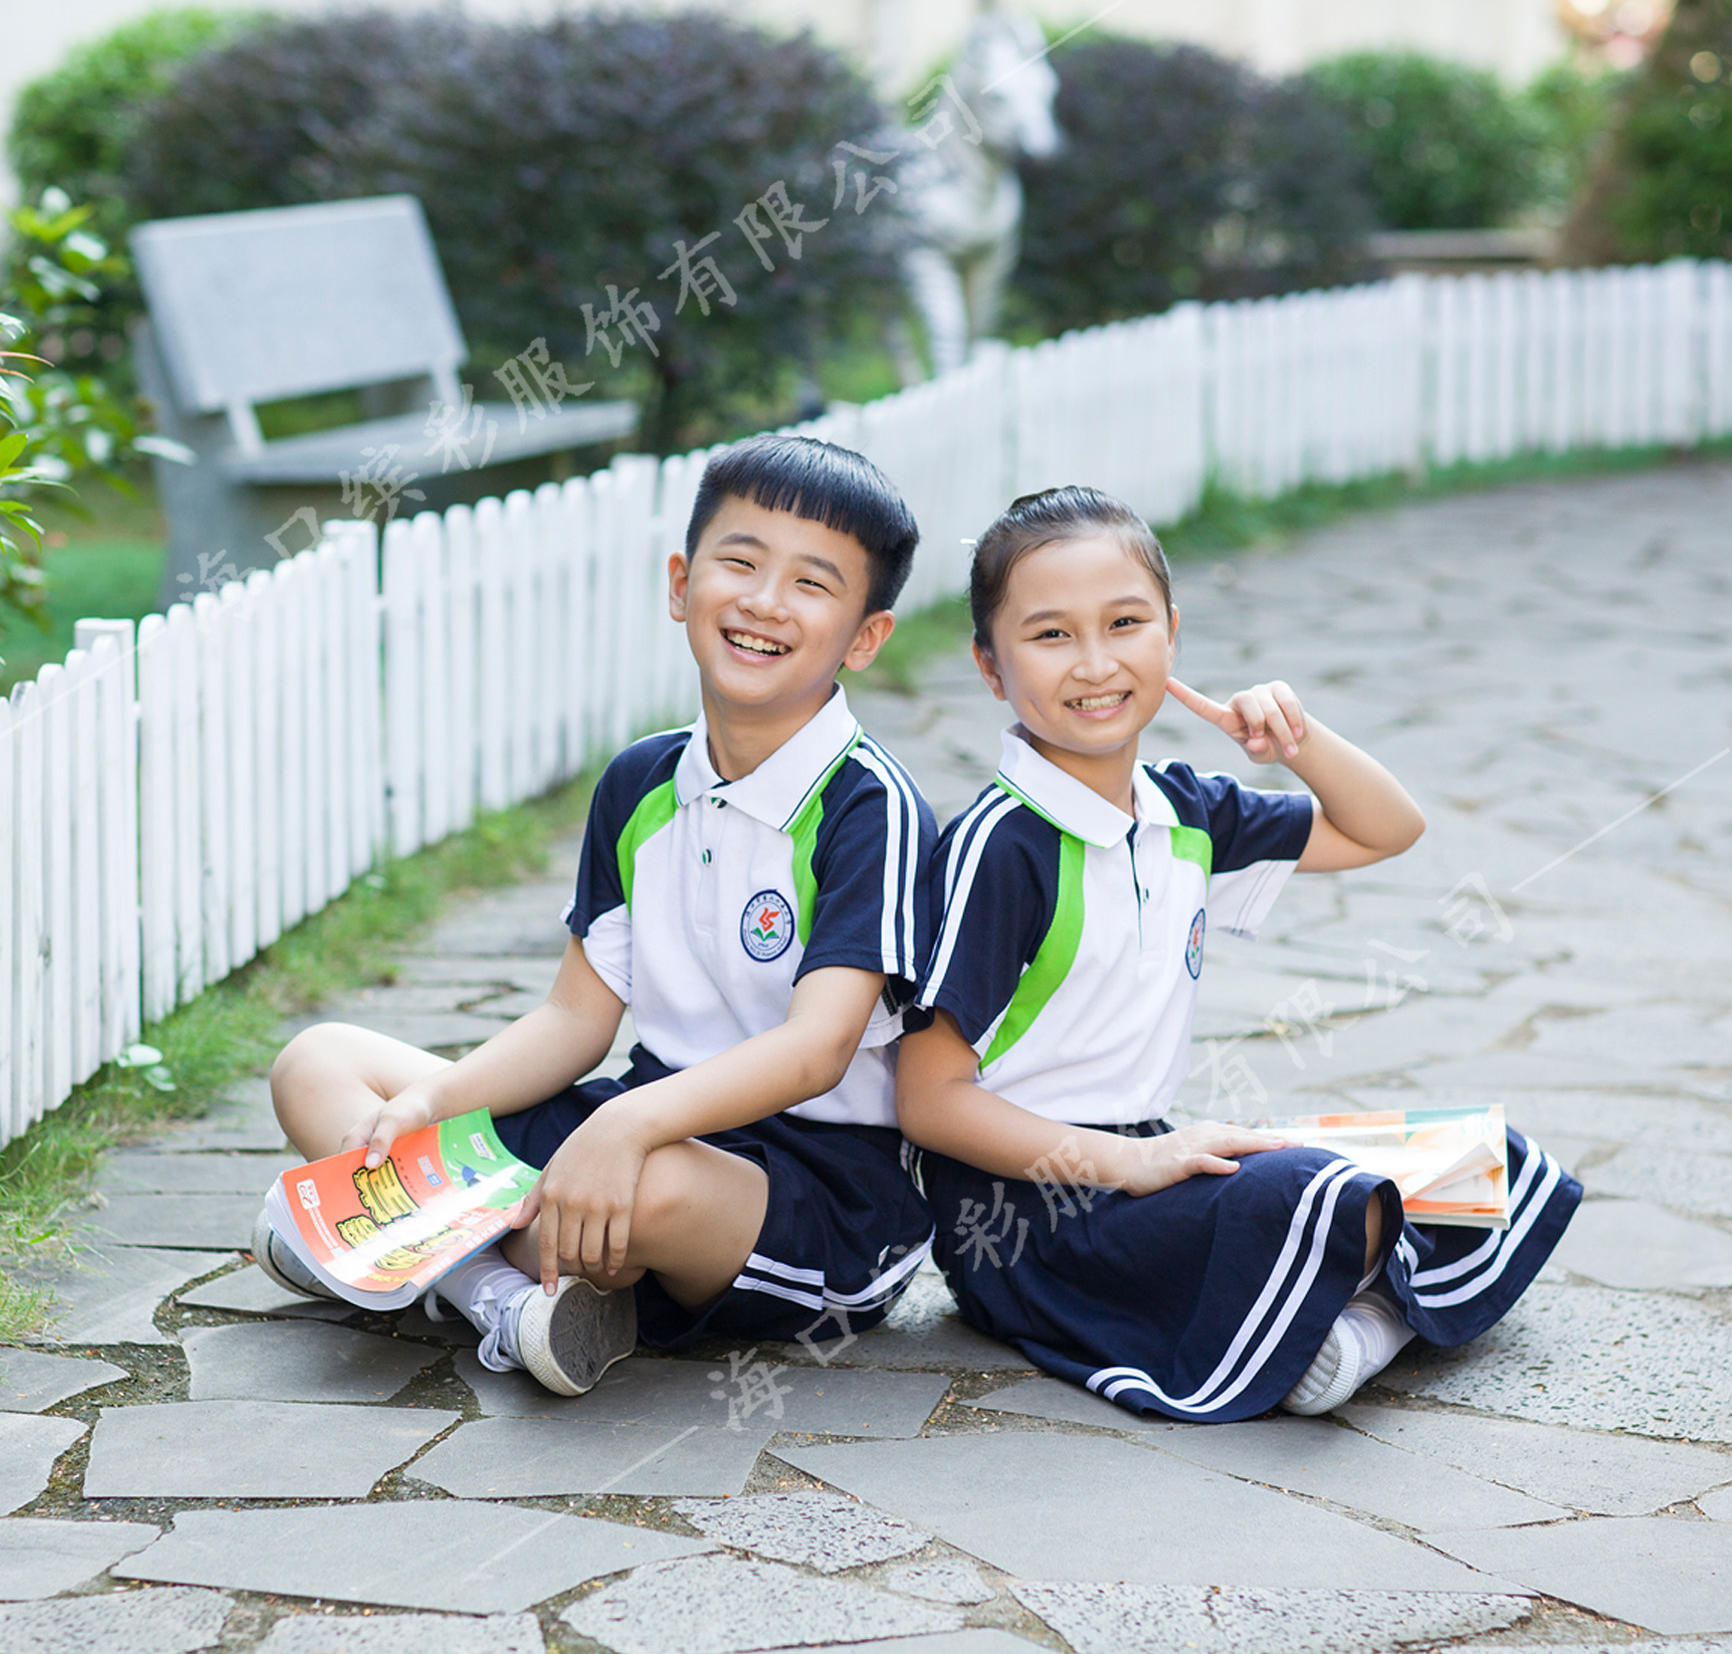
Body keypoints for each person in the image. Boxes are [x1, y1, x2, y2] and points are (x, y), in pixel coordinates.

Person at [259, 435, 938, 1395]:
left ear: (865, 636)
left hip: (812, 1187)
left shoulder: (872, 806)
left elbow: (815, 1052)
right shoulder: (641, 781)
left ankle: (392, 1247)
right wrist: (429, 1107)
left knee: (639, 1190)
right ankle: (498, 1292)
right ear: (681, 582)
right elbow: (577, 1019)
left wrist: (622, 1135)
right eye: (739, 562)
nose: (763, 601)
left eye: (812, 584)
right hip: (633, 1118)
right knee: (319, 1063)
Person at [897, 486, 1580, 1421]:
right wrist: (1129, 1165)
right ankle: (1347, 1326)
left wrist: (1291, 741)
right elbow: (929, 1101)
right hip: (1031, 1220)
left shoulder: (1183, 810)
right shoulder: (1002, 845)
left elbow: (1388, 828)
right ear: (990, 665)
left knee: (1475, 1160)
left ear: (1170, 634)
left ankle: (1352, 1328)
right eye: (1051, 635)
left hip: (1153, 1163)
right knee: (1324, 1196)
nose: (1096, 663)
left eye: (1125, 622)